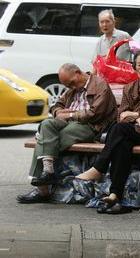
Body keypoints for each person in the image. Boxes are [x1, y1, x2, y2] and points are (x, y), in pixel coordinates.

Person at [75, 49, 140, 214]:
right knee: (122, 144)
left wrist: (137, 115)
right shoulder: (130, 87)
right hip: (133, 130)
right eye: (139, 65)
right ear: (135, 67)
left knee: (118, 129)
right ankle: (115, 195)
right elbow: (122, 116)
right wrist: (138, 119)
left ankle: (99, 167)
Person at [17, 63, 118, 203]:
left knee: (45, 140)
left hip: (90, 126)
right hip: (69, 122)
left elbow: (95, 113)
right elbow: (56, 106)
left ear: (78, 72)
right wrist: (59, 112)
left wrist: (71, 115)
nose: (71, 88)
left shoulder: (100, 85)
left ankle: (42, 190)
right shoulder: (72, 87)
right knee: (46, 125)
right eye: (68, 86)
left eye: (72, 84)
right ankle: (48, 171)